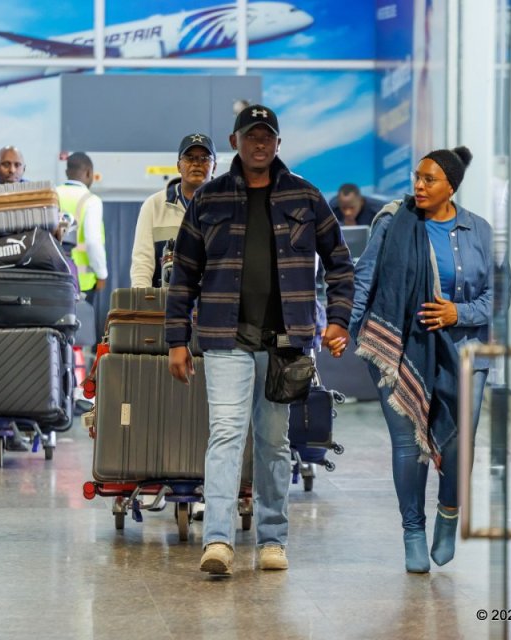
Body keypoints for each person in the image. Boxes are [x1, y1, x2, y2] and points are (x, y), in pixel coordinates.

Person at [165, 104, 354, 575]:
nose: (259, 143)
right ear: (235, 142)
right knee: (226, 435)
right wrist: (176, 340)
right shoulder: (208, 199)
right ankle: (218, 541)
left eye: (267, 135)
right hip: (224, 338)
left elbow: (340, 263)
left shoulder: (305, 196)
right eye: (251, 135)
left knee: (273, 442)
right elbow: (183, 275)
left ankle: (272, 540)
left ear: (278, 143)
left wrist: (338, 319)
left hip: (284, 344)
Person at [350, 146, 495, 574]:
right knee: (408, 444)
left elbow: (495, 296)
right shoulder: (394, 222)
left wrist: (457, 313)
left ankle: (448, 512)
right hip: (402, 348)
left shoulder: (479, 230)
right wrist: (346, 327)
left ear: (452, 186)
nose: (418, 185)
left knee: (458, 443)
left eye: (429, 179)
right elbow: (365, 277)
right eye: (417, 177)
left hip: (465, 353)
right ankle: (412, 529)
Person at [130, 133, 217, 288]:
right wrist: (142, 299)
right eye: (189, 158)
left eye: (204, 158)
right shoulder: (154, 205)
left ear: (214, 166)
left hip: (215, 299)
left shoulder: (229, 204)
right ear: (178, 166)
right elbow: (142, 263)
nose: (196, 164)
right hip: (165, 300)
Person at [56, 152, 107, 305]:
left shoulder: (52, 194)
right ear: (89, 173)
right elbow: (93, 242)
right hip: (82, 282)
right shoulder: (91, 201)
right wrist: (101, 274)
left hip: (54, 276)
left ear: (66, 172)